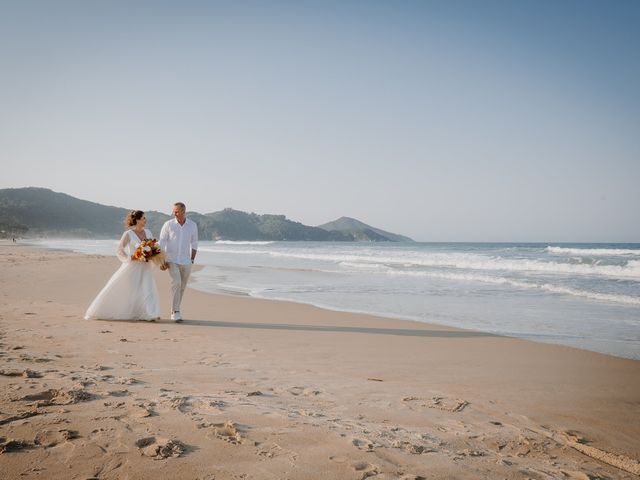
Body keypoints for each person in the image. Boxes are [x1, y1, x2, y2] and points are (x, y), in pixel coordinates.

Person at [85, 210, 161, 321]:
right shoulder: (128, 234)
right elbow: (119, 250)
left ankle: (151, 314)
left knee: (148, 288)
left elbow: (153, 247)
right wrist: (130, 258)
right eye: (143, 218)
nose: (145, 220)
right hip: (133, 266)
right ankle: (104, 310)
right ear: (138, 220)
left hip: (145, 266)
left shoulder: (148, 233)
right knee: (132, 290)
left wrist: (153, 254)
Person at [159, 202, 198, 322]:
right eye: (173, 211)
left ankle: (174, 309)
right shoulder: (168, 224)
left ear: (183, 211)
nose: (174, 213)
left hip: (186, 260)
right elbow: (162, 243)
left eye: (176, 211)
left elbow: (194, 243)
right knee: (176, 282)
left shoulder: (192, 225)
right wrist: (162, 260)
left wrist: (192, 260)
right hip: (171, 259)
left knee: (182, 287)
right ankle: (176, 312)